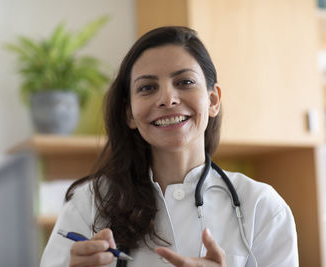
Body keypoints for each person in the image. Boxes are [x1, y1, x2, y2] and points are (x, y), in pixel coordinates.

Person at [40, 26, 298, 267]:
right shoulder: (88, 205)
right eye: (147, 87)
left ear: (213, 100)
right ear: (129, 114)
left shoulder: (262, 207)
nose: (167, 99)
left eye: (184, 82)